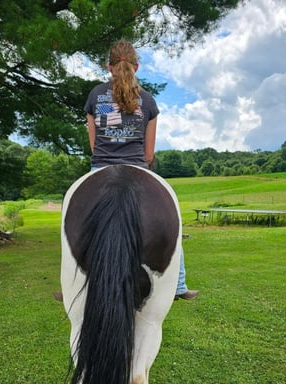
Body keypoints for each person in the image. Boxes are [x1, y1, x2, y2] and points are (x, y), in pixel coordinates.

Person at [54, 39, 198, 302]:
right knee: (172, 214)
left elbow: (94, 143)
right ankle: (179, 284)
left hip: (100, 165)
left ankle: (70, 285)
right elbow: (149, 153)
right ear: (137, 66)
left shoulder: (95, 96)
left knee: (71, 218)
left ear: (108, 66)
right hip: (137, 166)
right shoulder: (148, 101)